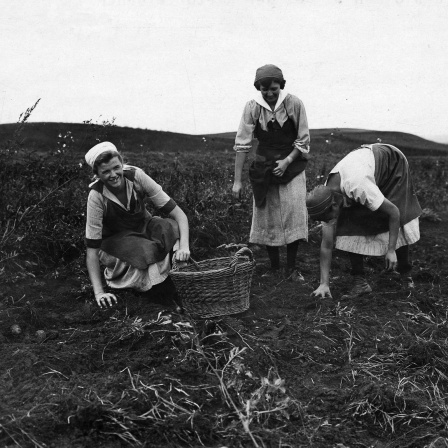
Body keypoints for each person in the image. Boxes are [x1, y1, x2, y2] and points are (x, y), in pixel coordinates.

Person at [306, 143, 422, 299]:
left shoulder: (358, 186)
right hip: (363, 170)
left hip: (392, 163)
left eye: (329, 218)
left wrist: (391, 250)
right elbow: (326, 245)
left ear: (334, 205)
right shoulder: (326, 197)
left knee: (393, 211)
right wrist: (324, 284)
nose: (330, 221)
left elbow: (394, 212)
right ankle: (360, 282)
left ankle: (405, 274)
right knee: (348, 223)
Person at [84, 142, 190, 308]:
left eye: (116, 168)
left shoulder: (136, 176)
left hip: (142, 227)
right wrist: (99, 292)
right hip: (115, 242)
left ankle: (177, 274)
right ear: (97, 174)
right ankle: (156, 290)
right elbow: (92, 249)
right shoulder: (96, 196)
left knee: (169, 227)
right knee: (144, 248)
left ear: (122, 163)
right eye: (105, 171)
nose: (113, 175)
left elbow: (179, 214)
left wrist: (184, 247)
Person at [232, 64, 310, 281]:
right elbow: (242, 144)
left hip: (291, 166)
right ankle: (275, 267)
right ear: (258, 88)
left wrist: (286, 161)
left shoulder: (294, 104)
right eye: (264, 89)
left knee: (294, 212)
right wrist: (237, 181)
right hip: (264, 166)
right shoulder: (252, 108)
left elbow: (303, 140)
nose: (269, 93)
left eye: (274, 88)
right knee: (268, 215)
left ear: (281, 85)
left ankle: (292, 268)